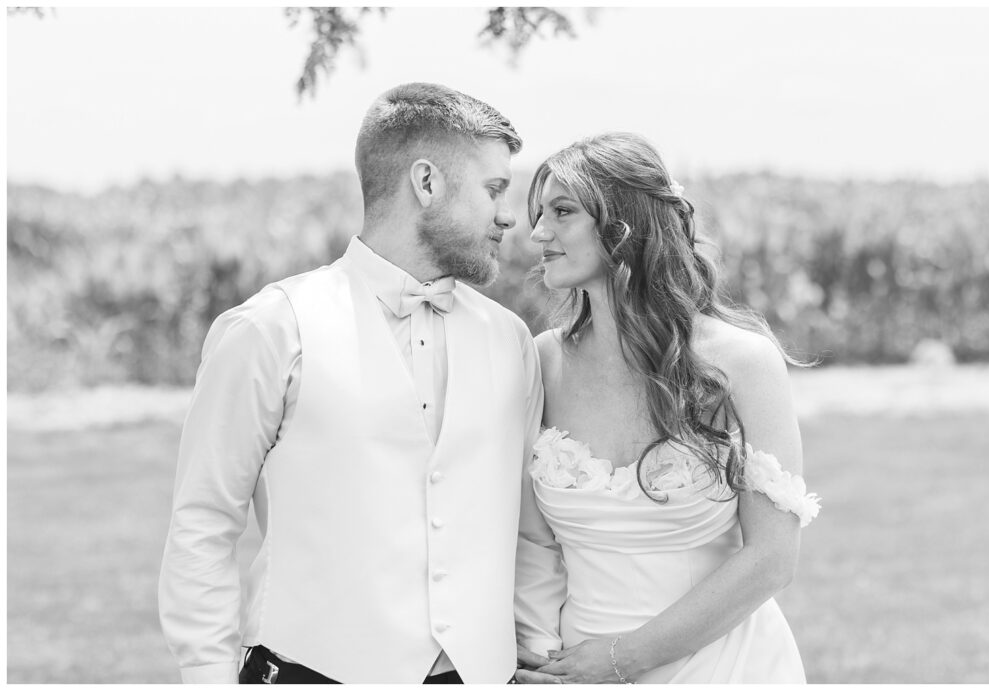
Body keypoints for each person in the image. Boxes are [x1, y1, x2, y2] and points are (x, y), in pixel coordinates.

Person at [158, 82, 545, 684]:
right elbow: (203, 523)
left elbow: (528, 528)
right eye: (494, 188)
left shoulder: (510, 339)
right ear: (426, 183)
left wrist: (531, 655)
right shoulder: (270, 329)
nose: (508, 215)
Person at [513, 132, 821, 683]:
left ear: (623, 224)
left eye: (562, 212)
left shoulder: (741, 364)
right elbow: (535, 542)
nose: (538, 233)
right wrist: (539, 661)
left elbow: (772, 559)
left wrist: (621, 660)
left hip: (725, 666)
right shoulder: (542, 361)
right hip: (573, 671)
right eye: (539, 214)